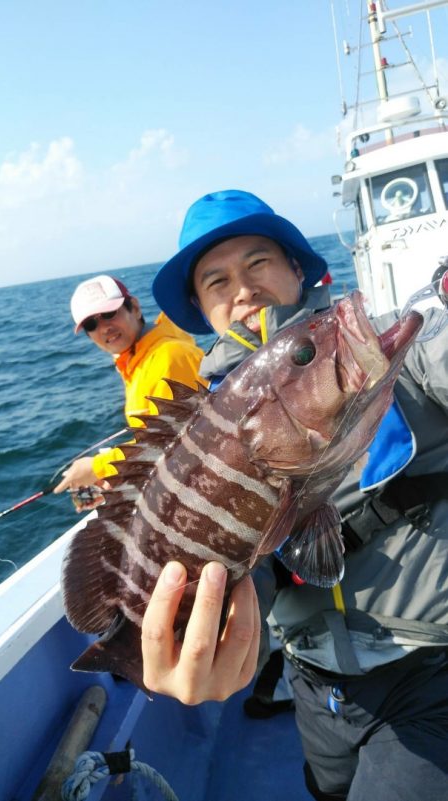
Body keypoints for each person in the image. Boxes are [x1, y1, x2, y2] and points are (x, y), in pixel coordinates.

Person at [140, 189, 448, 801]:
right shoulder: (200, 431)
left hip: (431, 671)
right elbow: (235, 561)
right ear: (202, 309)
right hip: (314, 686)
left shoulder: (386, 348)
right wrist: (200, 645)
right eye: (216, 280)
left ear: (298, 270)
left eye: (259, 263)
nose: (243, 289)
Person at [54, 274, 205, 502]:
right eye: (92, 324)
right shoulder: (136, 360)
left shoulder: (169, 358)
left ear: (134, 307)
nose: (104, 327)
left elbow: (174, 443)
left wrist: (98, 467)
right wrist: (115, 481)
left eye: (109, 314)